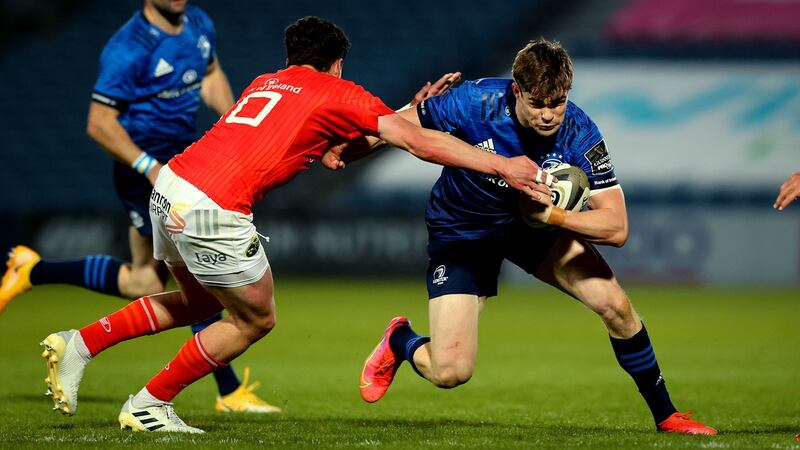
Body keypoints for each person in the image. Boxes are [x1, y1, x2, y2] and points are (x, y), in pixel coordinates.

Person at [37, 16, 550, 433]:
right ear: (338, 64)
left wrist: (410, 109)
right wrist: (503, 165)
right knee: (255, 320)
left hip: (171, 187)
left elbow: (334, 156)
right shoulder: (334, 90)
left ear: (290, 59)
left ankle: (78, 344)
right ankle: (150, 404)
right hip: (214, 209)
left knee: (197, 302)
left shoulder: (267, 83)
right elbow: (415, 142)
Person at [357, 38, 718, 435]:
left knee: (615, 305)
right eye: (538, 103)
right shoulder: (472, 102)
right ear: (517, 90)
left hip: (532, 228)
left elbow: (616, 228)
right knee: (450, 372)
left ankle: (667, 415)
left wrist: (552, 215)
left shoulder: (580, 133)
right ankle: (401, 340)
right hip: (464, 230)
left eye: (557, 103)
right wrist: (346, 148)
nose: (548, 115)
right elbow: (386, 129)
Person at [0, 0, 280, 413]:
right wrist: (149, 168)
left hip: (184, 162)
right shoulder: (128, 47)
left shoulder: (199, 23)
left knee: (143, 284)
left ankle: (33, 269)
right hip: (144, 170)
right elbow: (99, 123)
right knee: (198, 275)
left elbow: (211, 72)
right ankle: (228, 389)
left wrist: (232, 121)